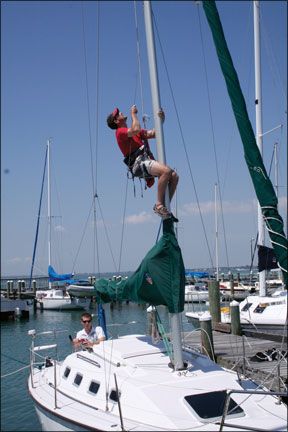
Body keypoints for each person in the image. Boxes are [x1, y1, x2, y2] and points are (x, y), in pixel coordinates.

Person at [106, 104, 179, 219]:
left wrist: (162, 120)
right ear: (116, 121)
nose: (121, 113)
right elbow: (135, 129)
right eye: (118, 114)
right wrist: (134, 114)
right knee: (166, 171)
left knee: (174, 176)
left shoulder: (136, 132)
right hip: (138, 164)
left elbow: (155, 133)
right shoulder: (120, 132)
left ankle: (165, 206)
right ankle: (158, 205)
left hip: (145, 160)